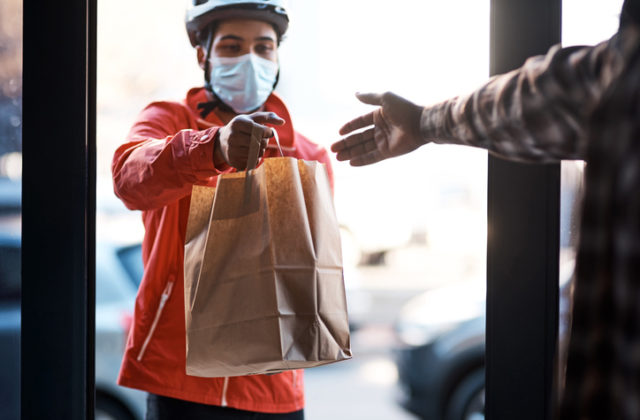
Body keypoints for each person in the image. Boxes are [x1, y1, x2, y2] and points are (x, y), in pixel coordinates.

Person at [331, 1, 640, 419]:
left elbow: (548, 94)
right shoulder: (617, 78)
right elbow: (544, 96)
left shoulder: (623, 76)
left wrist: (425, 122)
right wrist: (424, 121)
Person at [112, 1, 333, 418]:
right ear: (203, 56)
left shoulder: (308, 155)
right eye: (231, 47)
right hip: (181, 380)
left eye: (263, 48)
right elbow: (129, 181)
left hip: (274, 384)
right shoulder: (167, 121)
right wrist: (211, 148)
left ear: (277, 56)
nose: (250, 60)